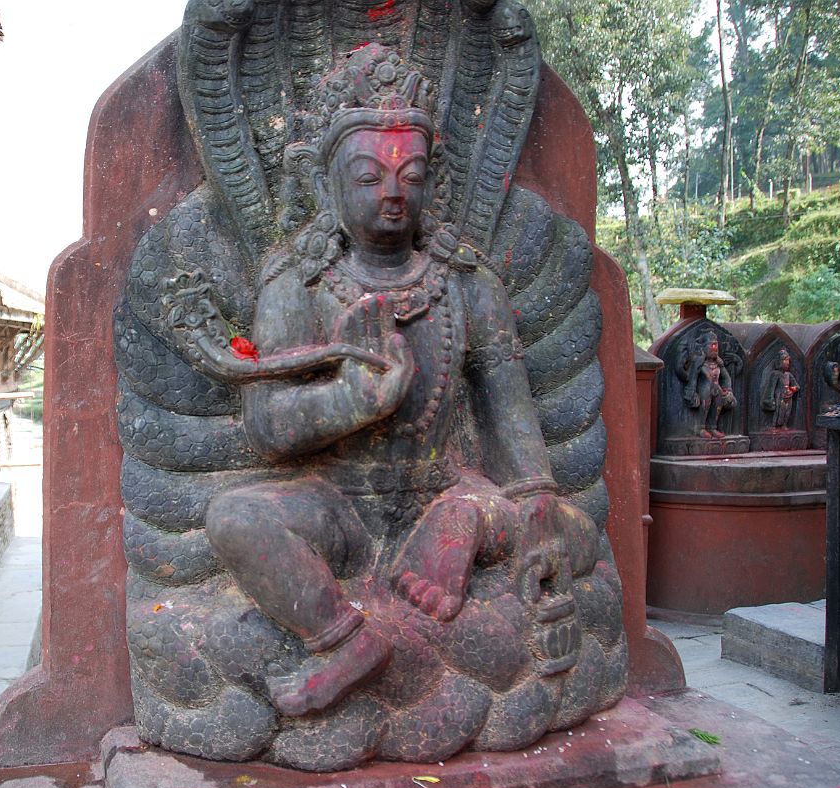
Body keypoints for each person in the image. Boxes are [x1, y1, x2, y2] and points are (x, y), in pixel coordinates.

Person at [197, 44, 599, 717]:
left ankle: (456, 530)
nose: (391, 193)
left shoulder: (467, 285)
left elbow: (514, 431)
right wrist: (349, 402)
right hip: (338, 502)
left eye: (409, 175)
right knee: (235, 516)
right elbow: (268, 427)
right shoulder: (297, 284)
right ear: (323, 183)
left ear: (431, 184)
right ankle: (347, 639)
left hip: (445, 487)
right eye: (367, 177)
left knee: (545, 524)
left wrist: (523, 516)